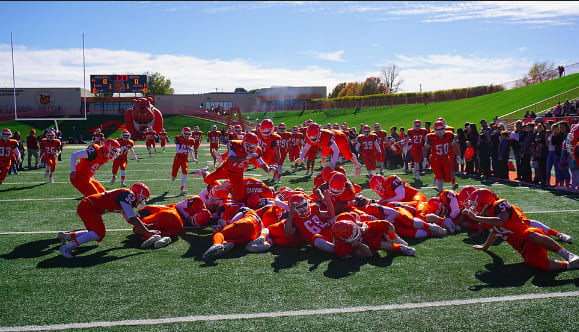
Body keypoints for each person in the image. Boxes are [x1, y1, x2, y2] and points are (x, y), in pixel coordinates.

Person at [463, 190, 579, 271]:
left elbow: (501, 221)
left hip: (530, 234)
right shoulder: (485, 220)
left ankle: (569, 255)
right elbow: (494, 233)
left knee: (531, 235)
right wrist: (485, 247)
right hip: (522, 248)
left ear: (484, 202)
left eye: (474, 204)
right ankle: (571, 265)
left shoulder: (499, 205)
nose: (472, 207)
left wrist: (476, 218)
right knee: (539, 265)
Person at [57, 183, 159, 258]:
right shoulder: (129, 195)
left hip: (89, 206)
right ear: (138, 194)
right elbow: (132, 218)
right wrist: (147, 231)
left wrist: (145, 225)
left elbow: (129, 219)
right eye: (142, 199)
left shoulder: (127, 197)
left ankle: (66, 236)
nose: (141, 202)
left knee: (96, 233)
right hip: (88, 206)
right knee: (98, 233)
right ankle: (67, 247)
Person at [198, 132, 272, 201]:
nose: (252, 149)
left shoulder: (256, 150)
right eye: (251, 147)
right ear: (245, 144)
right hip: (225, 169)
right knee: (207, 180)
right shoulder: (235, 144)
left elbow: (261, 163)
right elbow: (231, 159)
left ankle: (228, 188)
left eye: (254, 147)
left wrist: (268, 169)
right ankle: (205, 171)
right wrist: (246, 157)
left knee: (239, 198)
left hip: (237, 174)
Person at [422, 121, 458, 191]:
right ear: (435, 130)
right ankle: (441, 191)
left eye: (441, 129)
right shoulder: (431, 137)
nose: (440, 132)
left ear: (444, 128)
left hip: (445, 159)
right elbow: (425, 148)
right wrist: (425, 159)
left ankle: (436, 177)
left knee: (447, 178)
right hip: (435, 159)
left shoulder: (449, 135)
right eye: (438, 130)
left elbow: (454, 145)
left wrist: (458, 156)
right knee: (440, 177)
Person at [172, 127, 196, 195]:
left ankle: (182, 189)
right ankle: (174, 176)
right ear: (182, 133)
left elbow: (190, 151)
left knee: (185, 173)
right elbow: (177, 150)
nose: (188, 135)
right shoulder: (179, 139)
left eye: (189, 134)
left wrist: (193, 159)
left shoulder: (191, 140)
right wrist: (187, 150)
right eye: (186, 133)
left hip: (185, 159)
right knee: (174, 172)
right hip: (178, 158)